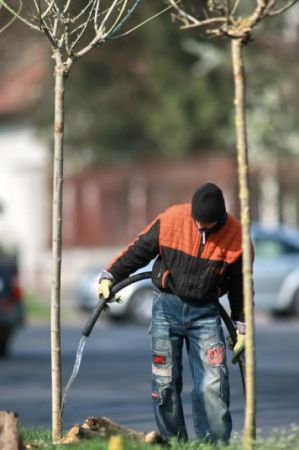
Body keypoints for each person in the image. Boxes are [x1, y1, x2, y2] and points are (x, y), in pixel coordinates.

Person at [98, 182, 252, 443]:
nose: (201, 228)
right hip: (166, 309)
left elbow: (242, 286)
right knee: (164, 382)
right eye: (197, 222)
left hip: (206, 314)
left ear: (220, 218)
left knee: (213, 385)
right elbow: (138, 250)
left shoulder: (237, 237)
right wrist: (110, 275)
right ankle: (172, 443)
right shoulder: (172, 219)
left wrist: (242, 324)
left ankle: (213, 446)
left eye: (207, 224)